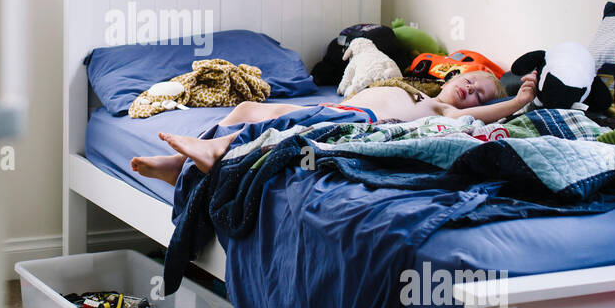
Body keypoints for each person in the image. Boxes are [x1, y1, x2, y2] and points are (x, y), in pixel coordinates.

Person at [131, 68, 538, 185]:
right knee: (249, 106)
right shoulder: (415, 86)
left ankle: (218, 152)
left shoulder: (440, 112)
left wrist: (516, 103)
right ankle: (177, 162)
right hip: (333, 104)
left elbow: (482, 117)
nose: (472, 93)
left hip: (358, 122)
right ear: (451, 76)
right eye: (469, 82)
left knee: (287, 128)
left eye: (483, 95)